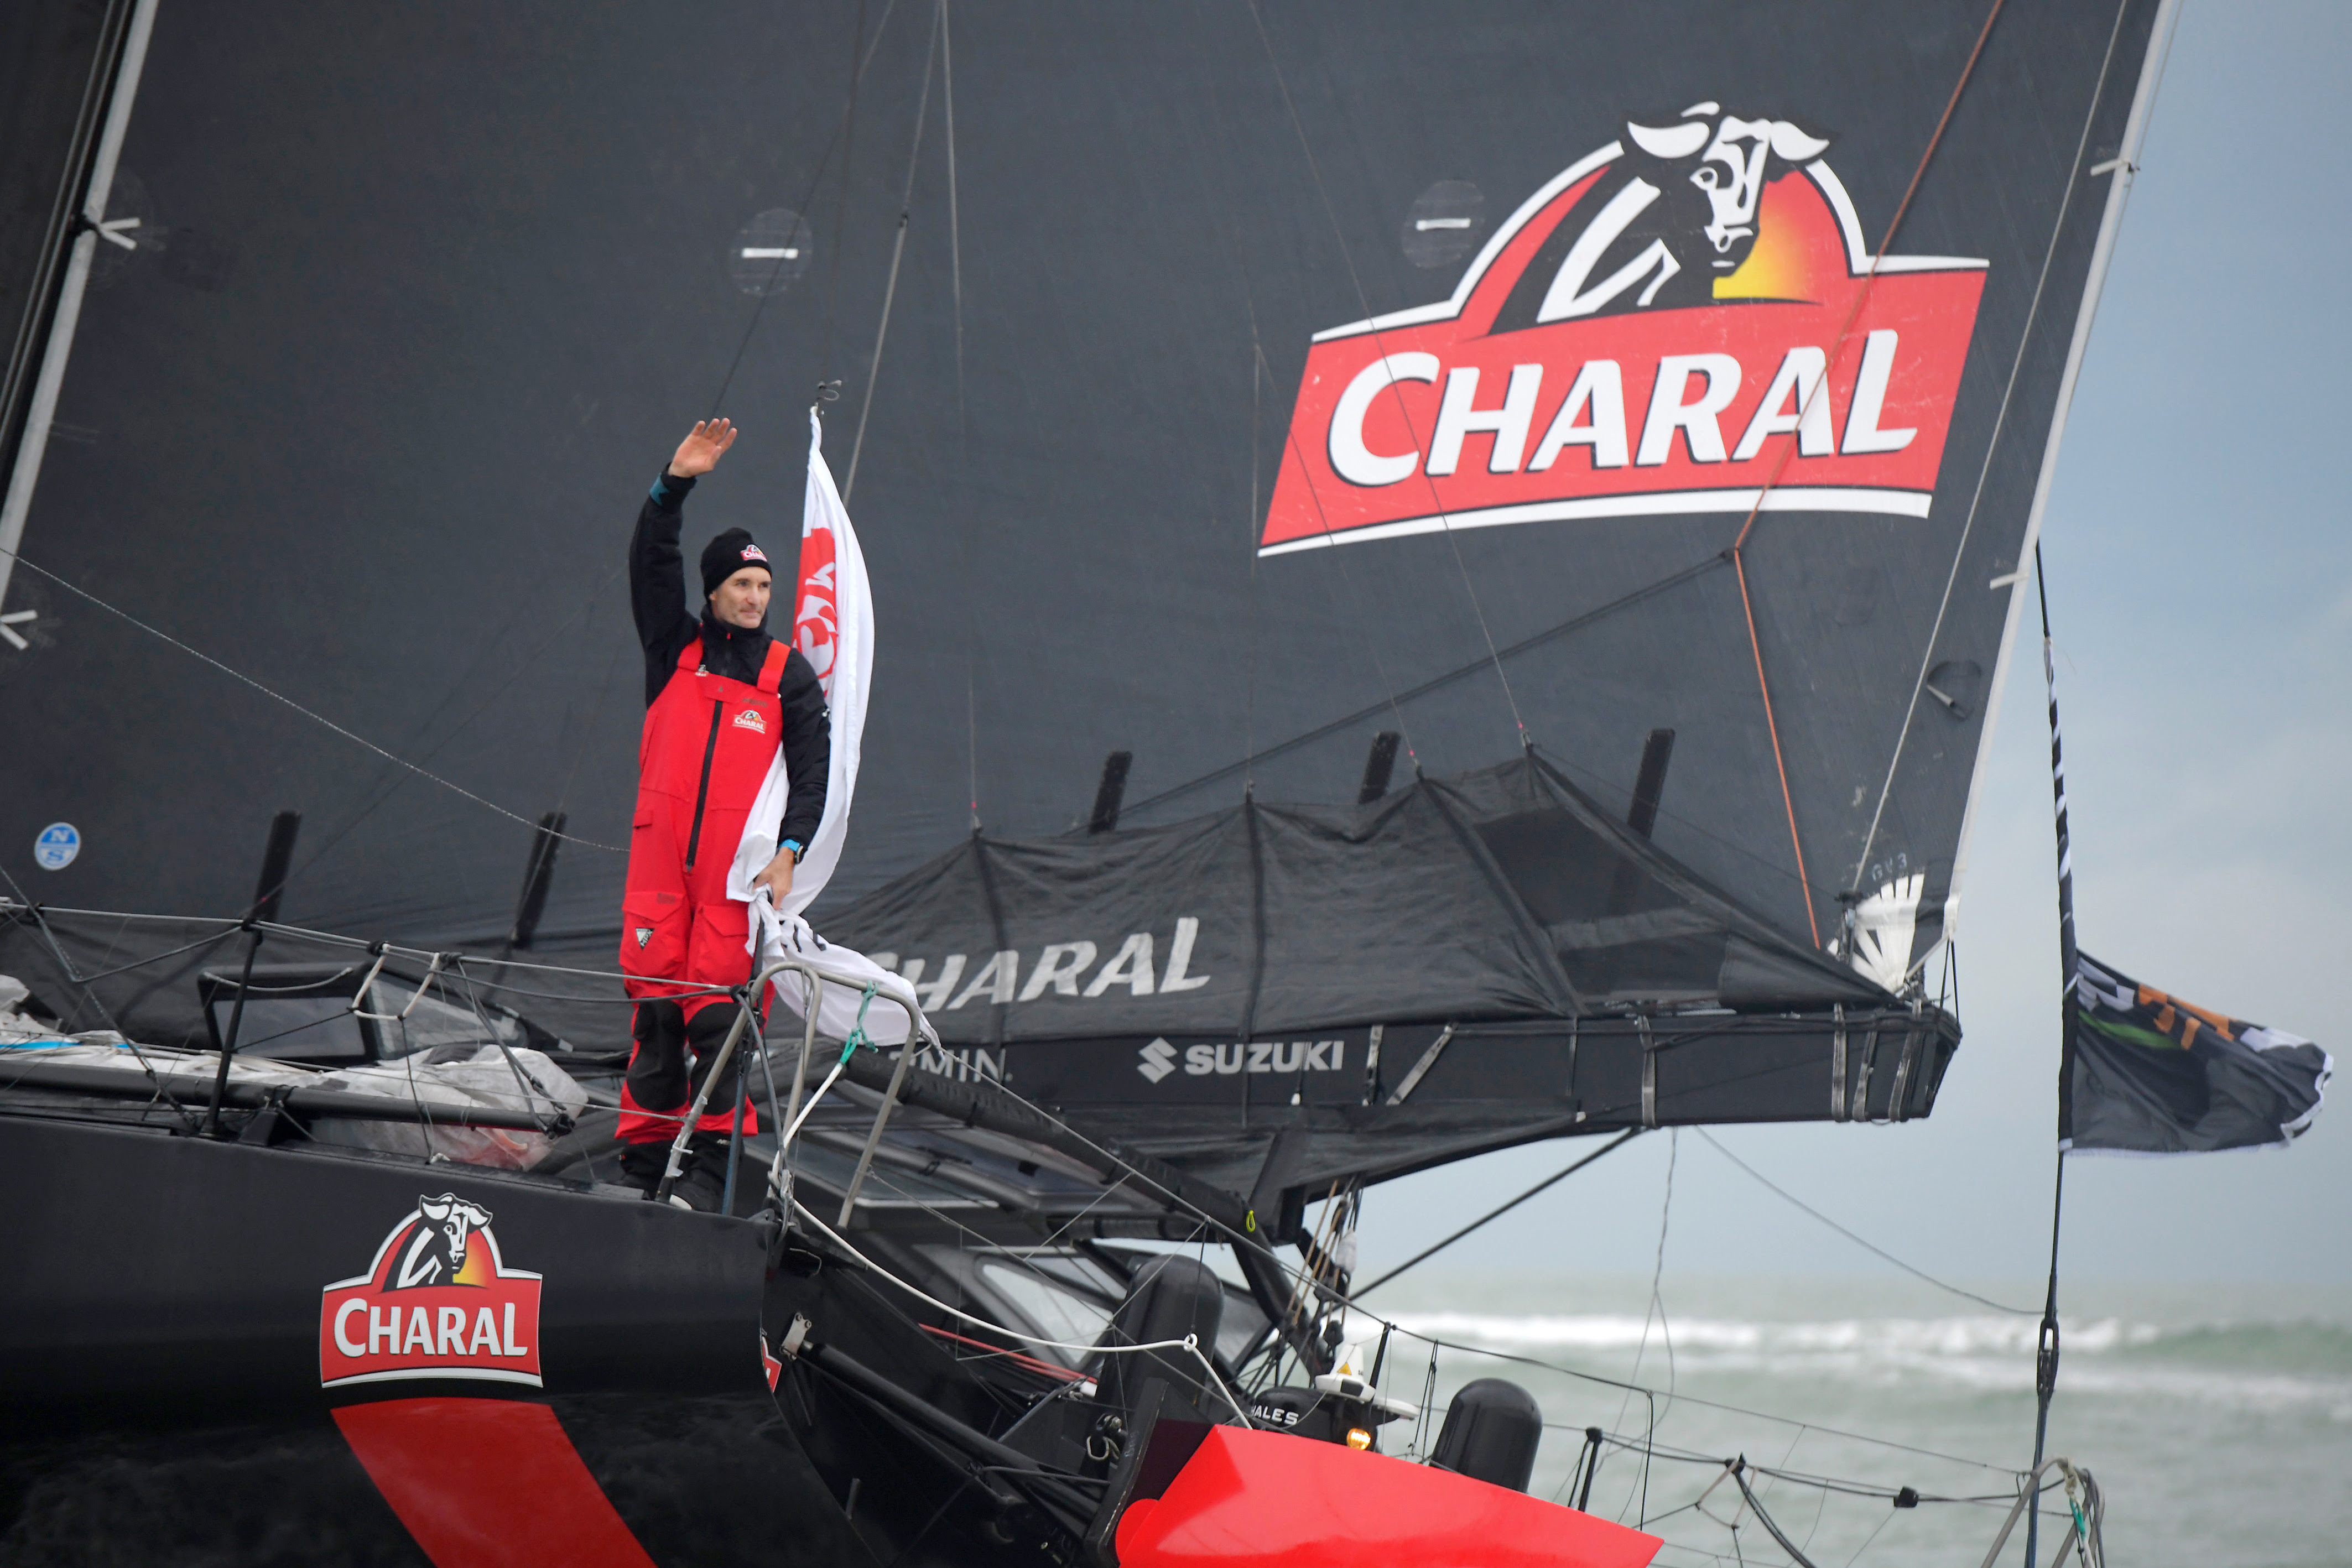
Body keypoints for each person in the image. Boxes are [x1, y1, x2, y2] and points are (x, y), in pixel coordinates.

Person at [618, 417, 829, 1206]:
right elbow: (651, 562)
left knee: (721, 1029)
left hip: (734, 886)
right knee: (656, 1033)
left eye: (764, 585)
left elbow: (815, 776)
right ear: (713, 591)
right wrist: (674, 483)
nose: (754, 597)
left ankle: (709, 1178)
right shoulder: (673, 647)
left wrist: (792, 849)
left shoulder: (788, 677)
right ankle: (640, 1176)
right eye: (741, 584)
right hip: (660, 874)